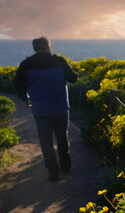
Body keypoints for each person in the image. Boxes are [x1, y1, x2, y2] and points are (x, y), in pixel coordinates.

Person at [15, 37, 78, 181]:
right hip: (60, 107)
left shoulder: (26, 64)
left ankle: (52, 172)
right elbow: (73, 78)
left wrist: (25, 99)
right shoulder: (59, 61)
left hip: (41, 110)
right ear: (48, 46)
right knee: (62, 138)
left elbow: (19, 86)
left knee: (45, 141)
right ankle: (66, 165)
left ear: (35, 48)